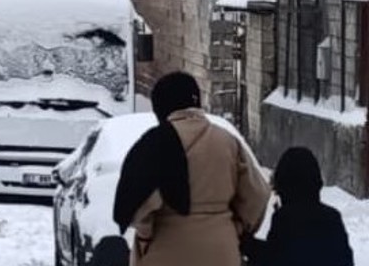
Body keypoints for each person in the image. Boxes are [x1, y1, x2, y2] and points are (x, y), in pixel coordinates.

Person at [113, 72, 270, 266]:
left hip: (167, 250)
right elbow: (258, 194)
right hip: (221, 251)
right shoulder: (227, 141)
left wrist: (145, 237)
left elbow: (140, 205)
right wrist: (235, 228)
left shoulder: (154, 143)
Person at [241, 146, 353, 266]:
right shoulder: (333, 219)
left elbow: (274, 258)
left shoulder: (286, 219)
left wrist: (245, 243)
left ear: (283, 188)